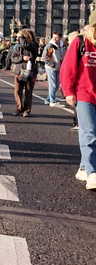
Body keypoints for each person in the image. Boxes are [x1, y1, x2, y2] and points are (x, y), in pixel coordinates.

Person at [61, 21, 96, 190]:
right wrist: (68, 91)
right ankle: (92, 173)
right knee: (89, 133)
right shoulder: (81, 42)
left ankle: (83, 167)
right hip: (85, 94)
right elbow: (68, 67)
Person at [9, 29, 39, 118]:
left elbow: (26, 45)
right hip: (19, 70)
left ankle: (27, 110)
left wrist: (22, 37)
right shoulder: (17, 46)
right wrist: (22, 58)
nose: (18, 38)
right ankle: (19, 108)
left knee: (28, 91)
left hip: (31, 70)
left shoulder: (33, 44)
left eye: (20, 37)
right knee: (17, 90)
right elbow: (13, 58)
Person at [43, 31, 65, 106]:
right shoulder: (50, 46)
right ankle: (52, 101)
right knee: (53, 85)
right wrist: (52, 65)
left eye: (57, 37)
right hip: (50, 67)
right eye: (54, 37)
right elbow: (45, 57)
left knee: (57, 84)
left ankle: (48, 99)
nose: (55, 39)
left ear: (60, 38)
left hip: (59, 67)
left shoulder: (63, 45)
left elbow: (63, 55)